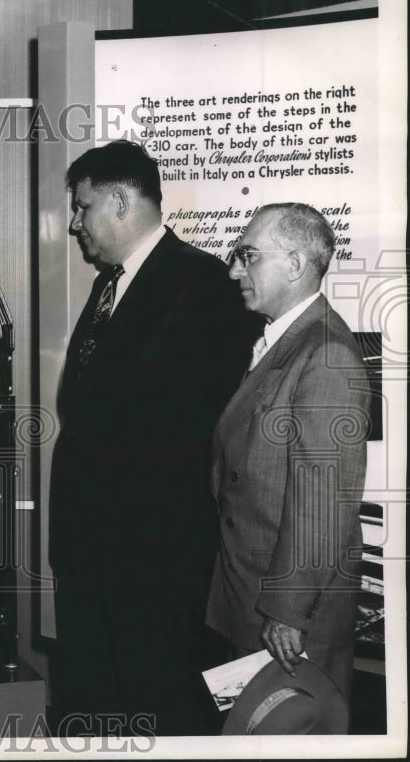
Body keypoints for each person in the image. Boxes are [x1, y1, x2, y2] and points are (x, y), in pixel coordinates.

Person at [48, 141, 258, 736]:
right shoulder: (111, 285)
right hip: (96, 551)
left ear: (121, 200)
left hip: (154, 555)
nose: (74, 223)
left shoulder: (203, 285)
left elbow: (192, 426)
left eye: (83, 207)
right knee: (97, 699)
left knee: (160, 699)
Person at [206, 203, 369, 715]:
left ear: (296, 264)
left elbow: (323, 503)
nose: (234, 270)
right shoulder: (285, 342)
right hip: (253, 602)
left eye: (248, 255)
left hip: (288, 624)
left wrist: (287, 613)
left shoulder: (325, 355)